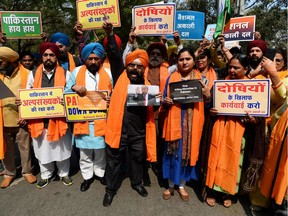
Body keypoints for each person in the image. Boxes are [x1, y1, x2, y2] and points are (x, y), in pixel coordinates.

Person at [205, 54, 265, 208]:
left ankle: (229, 193)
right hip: (219, 129)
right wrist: (211, 112)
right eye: (230, 66)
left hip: (240, 133)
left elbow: (259, 115)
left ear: (246, 69)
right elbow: (210, 105)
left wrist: (254, 120)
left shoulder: (254, 87)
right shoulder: (221, 84)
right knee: (216, 160)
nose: (231, 70)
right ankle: (212, 191)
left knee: (234, 162)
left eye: (236, 67)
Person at [103, 49, 157, 207]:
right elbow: (113, 55)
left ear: (144, 69)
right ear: (126, 66)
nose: (135, 68)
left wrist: (156, 101)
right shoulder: (119, 76)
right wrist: (110, 35)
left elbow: (150, 111)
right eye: (132, 65)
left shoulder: (147, 86)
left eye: (139, 66)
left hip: (138, 133)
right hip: (117, 131)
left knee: (137, 160)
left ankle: (137, 183)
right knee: (113, 163)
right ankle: (110, 189)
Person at [161, 47, 210, 202]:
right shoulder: (171, 78)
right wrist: (166, 102)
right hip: (174, 122)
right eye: (181, 59)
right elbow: (163, 98)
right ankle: (170, 184)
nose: (184, 62)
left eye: (187, 59)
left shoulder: (201, 80)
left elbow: (207, 104)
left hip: (192, 122)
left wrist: (208, 96)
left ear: (193, 61)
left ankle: (181, 185)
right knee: (172, 152)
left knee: (187, 153)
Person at [65, 42, 112, 192]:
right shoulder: (77, 72)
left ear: (101, 59)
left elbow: (115, 92)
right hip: (82, 120)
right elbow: (66, 92)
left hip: (102, 120)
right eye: (90, 58)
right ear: (85, 59)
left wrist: (111, 99)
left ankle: (100, 173)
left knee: (100, 151)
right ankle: (87, 177)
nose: (93, 61)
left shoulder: (108, 73)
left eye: (96, 58)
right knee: (84, 153)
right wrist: (74, 87)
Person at [26, 42, 73, 188]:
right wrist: (23, 102)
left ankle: (63, 173)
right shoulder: (32, 74)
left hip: (60, 120)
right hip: (40, 121)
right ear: (41, 56)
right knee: (43, 150)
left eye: (51, 55)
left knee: (62, 149)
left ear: (56, 57)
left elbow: (71, 94)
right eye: (45, 55)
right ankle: (46, 174)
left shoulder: (66, 73)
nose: (48, 58)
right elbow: (28, 94)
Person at [0, 47, 37, 188]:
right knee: (7, 148)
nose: (0, 65)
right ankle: (9, 173)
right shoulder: (0, 75)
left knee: (25, 146)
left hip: (21, 119)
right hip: (3, 120)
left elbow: (34, 96)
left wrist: (25, 112)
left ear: (10, 62)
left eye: (2, 62)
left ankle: (27, 171)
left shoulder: (27, 74)